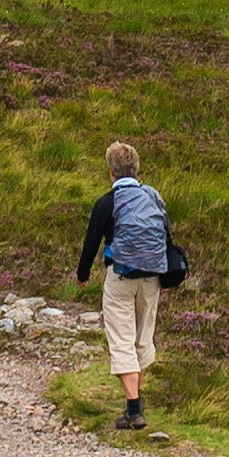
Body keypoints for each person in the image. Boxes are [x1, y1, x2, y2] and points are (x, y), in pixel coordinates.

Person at [72, 140, 174, 430]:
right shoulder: (153, 197)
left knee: (121, 338)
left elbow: (91, 243)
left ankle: (133, 409)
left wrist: (82, 275)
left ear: (111, 172)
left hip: (120, 278)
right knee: (142, 338)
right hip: (152, 277)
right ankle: (136, 400)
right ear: (136, 169)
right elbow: (166, 236)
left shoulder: (107, 203)